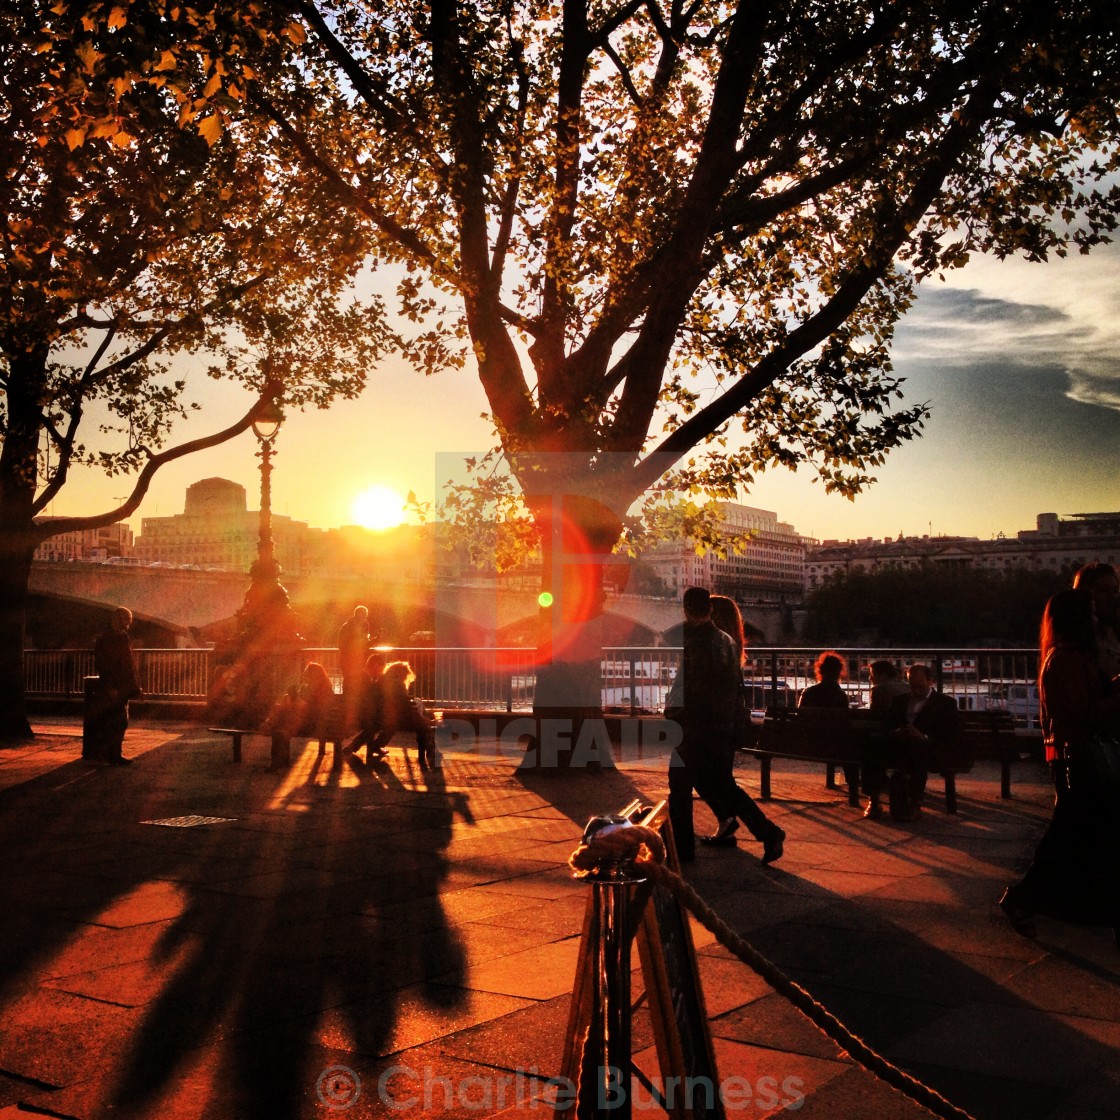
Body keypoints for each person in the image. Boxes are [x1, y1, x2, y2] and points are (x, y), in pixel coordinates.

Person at [999, 589, 1120, 940]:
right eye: (1092, 613)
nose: (1097, 619)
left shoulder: (1066, 658)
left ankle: (1030, 899)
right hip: (1079, 759)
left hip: (1075, 758)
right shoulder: (1067, 660)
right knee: (1071, 837)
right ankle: (1024, 897)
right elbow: (1079, 715)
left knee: (1073, 836)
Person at [666, 587, 784, 864]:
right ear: (709, 609)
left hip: (693, 725)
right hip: (721, 725)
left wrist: (673, 714)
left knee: (680, 787)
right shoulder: (727, 641)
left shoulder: (693, 641)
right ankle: (768, 832)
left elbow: (689, 687)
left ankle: (683, 850)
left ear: (686, 608)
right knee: (723, 784)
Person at [862, 663, 960, 821]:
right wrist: (895, 732)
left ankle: (915, 802)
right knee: (872, 746)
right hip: (901, 743)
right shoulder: (900, 701)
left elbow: (951, 733)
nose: (915, 687)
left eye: (919, 683)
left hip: (929, 747)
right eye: (911, 683)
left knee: (918, 748)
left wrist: (925, 736)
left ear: (930, 681)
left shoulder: (945, 703)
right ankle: (873, 798)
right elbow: (887, 726)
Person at [798, 650, 855, 792]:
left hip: (808, 743)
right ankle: (853, 782)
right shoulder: (840, 696)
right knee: (852, 745)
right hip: (834, 745)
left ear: (820, 670)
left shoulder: (808, 692)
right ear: (839, 672)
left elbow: (799, 717)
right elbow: (844, 723)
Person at [91, 607, 142, 765]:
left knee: (117, 720)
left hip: (120, 685)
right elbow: (106, 665)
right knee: (119, 720)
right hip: (116, 685)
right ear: (119, 620)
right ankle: (113, 754)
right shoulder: (113, 638)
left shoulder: (115, 637)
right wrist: (110, 686)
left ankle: (111, 753)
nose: (128, 624)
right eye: (126, 620)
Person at [367, 661, 436, 769]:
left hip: (383, 716)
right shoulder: (398, 685)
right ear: (400, 673)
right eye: (405, 675)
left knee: (417, 704)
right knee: (423, 723)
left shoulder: (383, 681)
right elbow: (406, 708)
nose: (405, 678)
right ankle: (428, 752)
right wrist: (425, 720)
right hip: (400, 719)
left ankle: (375, 746)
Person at [1073, 561, 1120, 689]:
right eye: (1103, 590)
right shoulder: (1074, 640)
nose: (1113, 596)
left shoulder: (1113, 631)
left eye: (1115, 590)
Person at [345, 651, 388, 757]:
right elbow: (367, 700)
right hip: (358, 714)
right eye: (380, 668)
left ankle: (352, 747)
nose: (381, 672)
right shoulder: (365, 679)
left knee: (377, 722)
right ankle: (373, 747)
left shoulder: (364, 676)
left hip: (357, 711)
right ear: (374, 665)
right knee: (386, 723)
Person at [338, 605, 371, 724]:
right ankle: (347, 714)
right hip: (349, 659)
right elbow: (347, 644)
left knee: (353, 684)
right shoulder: (349, 627)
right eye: (362, 615)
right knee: (350, 683)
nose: (364, 618)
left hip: (355, 660)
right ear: (357, 614)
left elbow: (363, 643)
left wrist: (373, 641)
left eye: (365, 615)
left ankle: (350, 714)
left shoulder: (362, 626)